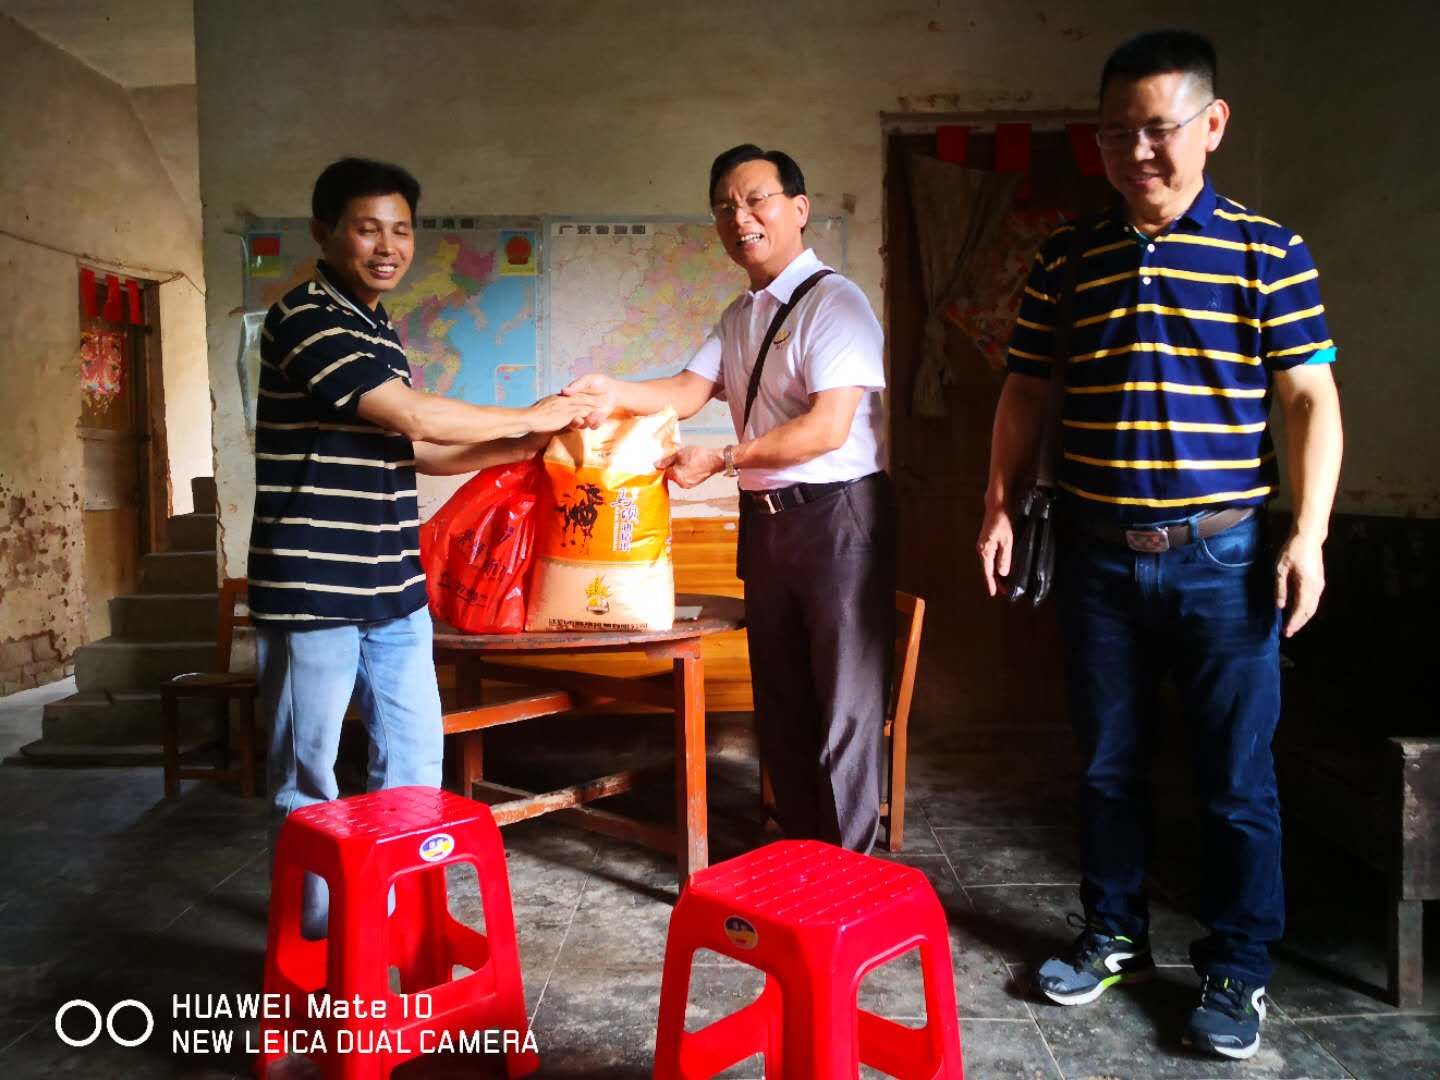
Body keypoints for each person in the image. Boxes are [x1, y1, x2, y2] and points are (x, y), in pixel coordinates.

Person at [977, 31, 1343, 1060]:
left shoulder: (1269, 252)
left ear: (1211, 125)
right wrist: (997, 502)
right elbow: (1025, 390)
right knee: (1106, 766)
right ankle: (1114, 936)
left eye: (1156, 129)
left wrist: (1310, 535)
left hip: (1225, 559)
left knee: (1237, 779)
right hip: (1096, 554)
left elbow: (1310, 399)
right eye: (1112, 134)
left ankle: (1238, 966)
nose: (1134, 151)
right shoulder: (1067, 258)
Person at [249, 157, 598, 936]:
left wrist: (528, 446)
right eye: (367, 229)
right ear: (324, 233)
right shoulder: (305, 317)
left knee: (411, 764)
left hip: (394, 588)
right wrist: (531, 415)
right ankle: (314, 942)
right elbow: (413, 417)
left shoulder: (377, 330)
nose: (388, 247)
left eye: (401, 231)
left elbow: (421, 451)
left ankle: (389, 920)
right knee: (307, 779)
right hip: (313, 591)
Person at [563, 144, 895, 852]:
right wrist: (611, 391)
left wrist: (724, 457)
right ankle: (798, 851)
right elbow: (687, 391)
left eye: (755, 200)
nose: (739, 217)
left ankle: (846, 869)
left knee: (843, 705)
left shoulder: (836, 303)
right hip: (767, 523)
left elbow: (827, 429)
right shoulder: (742, 315)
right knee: (781, 699)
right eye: (724, 207)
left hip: (836, 519)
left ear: (798, 209)